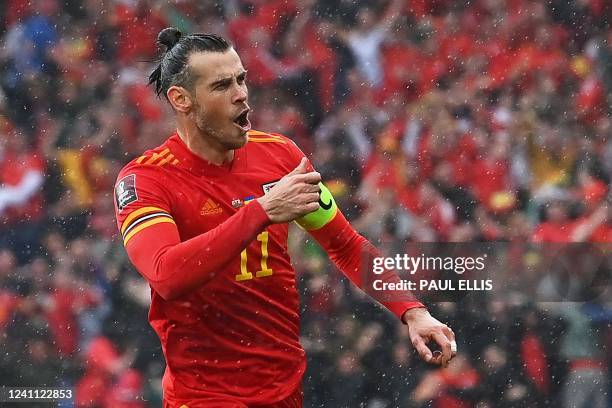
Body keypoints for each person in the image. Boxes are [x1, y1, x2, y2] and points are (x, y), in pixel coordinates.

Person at [113, 28, 456, 408]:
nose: (241, 94)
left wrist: (411, 310)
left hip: (283, 388)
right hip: (204, 394)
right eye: (222, 85)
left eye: (241, 79)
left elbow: (346, 245)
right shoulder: (145, 179)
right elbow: (167, 276)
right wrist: (261, 211)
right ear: (181, 99)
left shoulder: (281, 157)